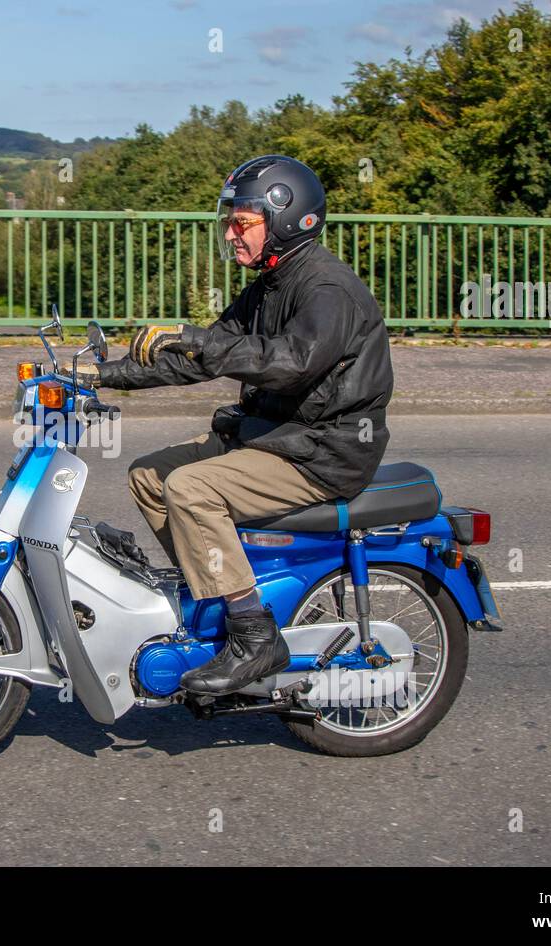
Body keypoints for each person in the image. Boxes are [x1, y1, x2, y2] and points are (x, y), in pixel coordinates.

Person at [78, 155, 394, 696]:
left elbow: (292, 361)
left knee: (191, 488)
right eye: (230, 219)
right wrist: (99, 375)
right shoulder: (271, 283)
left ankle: (254, 637)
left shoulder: (326, 290)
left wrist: (202, 339)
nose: (231, 232)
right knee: (149, 476)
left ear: (288, 219)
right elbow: (204, 358)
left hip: (322, 451)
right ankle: (219, 601)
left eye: (241, 221)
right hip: (276, 435)